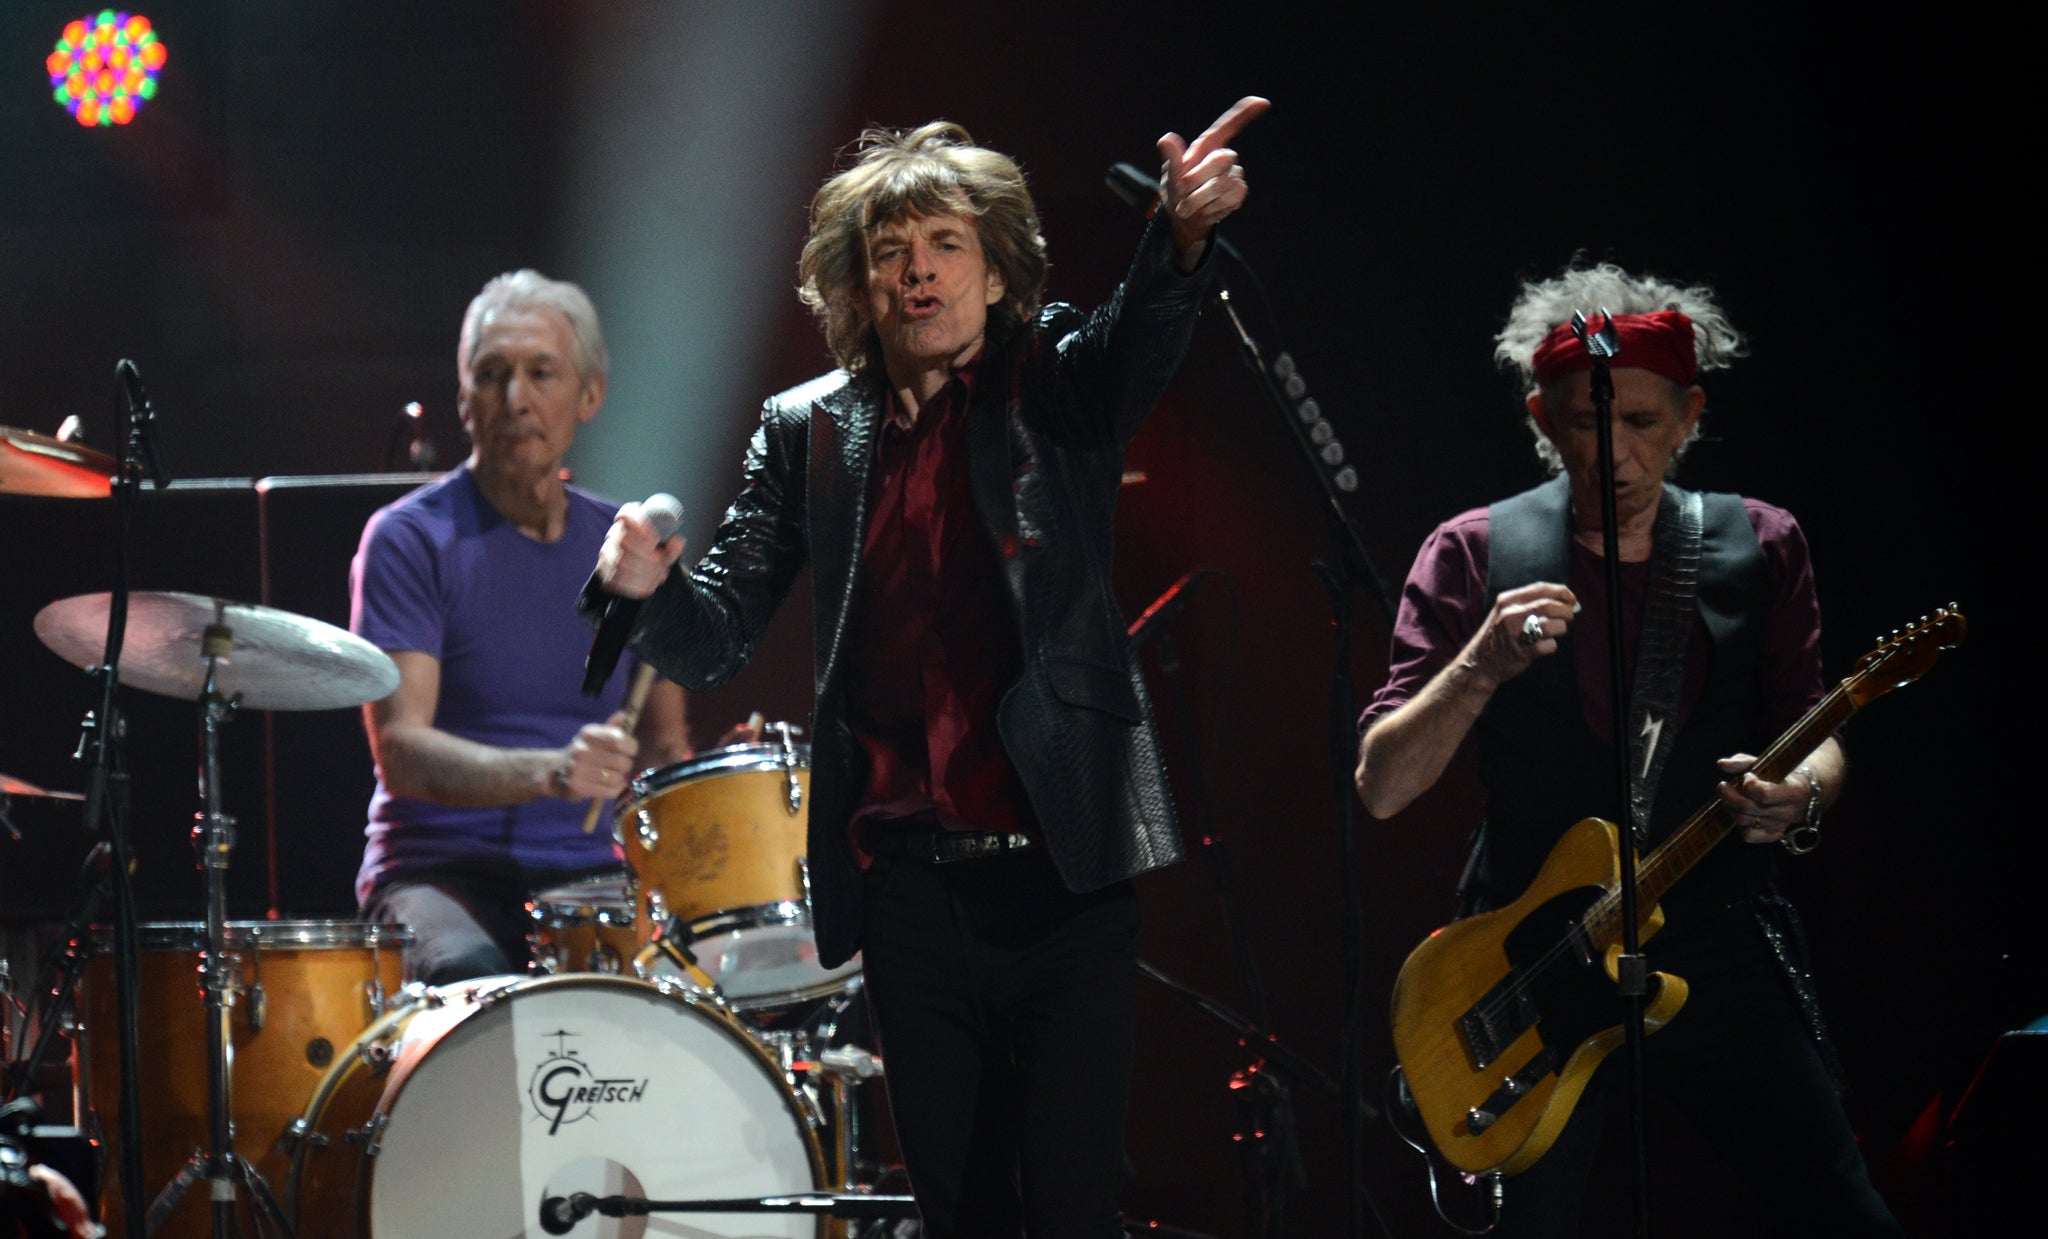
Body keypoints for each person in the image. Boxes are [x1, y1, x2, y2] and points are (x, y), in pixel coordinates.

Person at [590, 100, 1263, 1235]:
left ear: (998, 276)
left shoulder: (1052, 384)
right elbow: (717, 636)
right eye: (889, 252)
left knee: (1068, 1206)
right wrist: (644, 593)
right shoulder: (805, 433)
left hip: (1059, 878)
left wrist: (1179, 243)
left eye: (947, 244)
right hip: (907, 892)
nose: (918, 271)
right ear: (856, 289)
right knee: (959, 1213)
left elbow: (1133, 341)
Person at [1354, 264, 1900, 1236]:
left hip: (1716, 932)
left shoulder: (1760, 543)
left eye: (1641, 421)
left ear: (1688, 413)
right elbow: (1383, 787)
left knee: (1839, 1211)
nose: (1611, 450)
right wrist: (1479, 664)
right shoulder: (1471, 551)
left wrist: (1800, 799)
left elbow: (1812, 727)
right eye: (1582, 421)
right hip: (1532, 952)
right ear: (1538, 414)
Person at [351, 270, 691, 985]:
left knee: (676, 1004)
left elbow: (664, 746)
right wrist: (551, 771)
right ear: (463, 399)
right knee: (475, 987)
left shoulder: (629, 549)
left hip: (593, 881)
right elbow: (401, 751)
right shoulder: (409, 539)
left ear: (590, 395)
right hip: (438, 872)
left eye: (542, 372)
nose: (516, 399)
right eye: (492, 373)